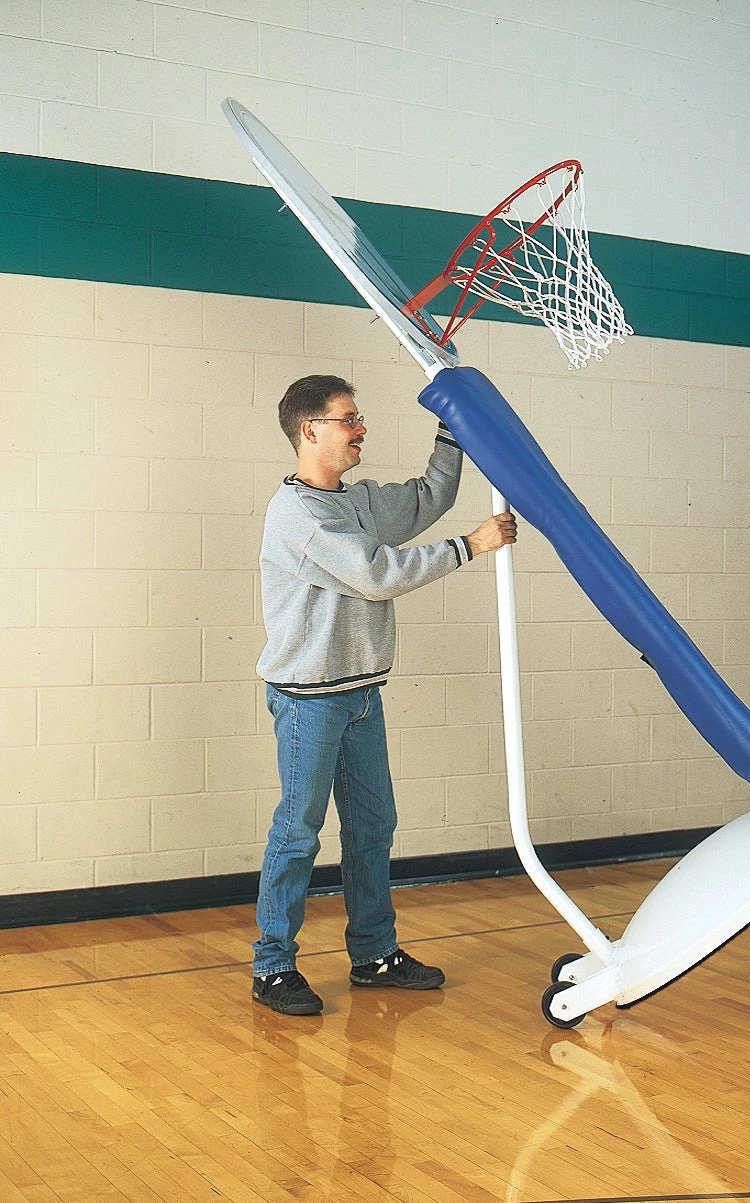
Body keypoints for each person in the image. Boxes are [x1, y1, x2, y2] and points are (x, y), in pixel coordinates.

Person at [252, 374, 517, 1016]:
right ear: (310, 430)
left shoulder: (360, 502)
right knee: (299, 831)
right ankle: (272, 968)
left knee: (373, 827)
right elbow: (376, 576)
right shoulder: (298, 516)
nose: (361, 429)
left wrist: (453, 426)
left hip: (362, 692)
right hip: (310, 700)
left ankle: (373, 954)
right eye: (348, 420)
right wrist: (471, 546)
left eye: (358, 417)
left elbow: (432, 495)